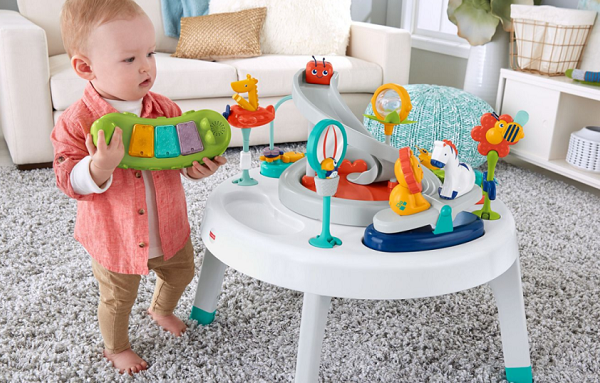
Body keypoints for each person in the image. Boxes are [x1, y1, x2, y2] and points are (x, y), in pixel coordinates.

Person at [51, 0, 227, 374]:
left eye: (149, 52)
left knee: (181, 272)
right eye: (129, 59)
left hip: (168, 225)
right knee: (117, 298)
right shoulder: (76, 123)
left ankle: (160, 308)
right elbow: (67, 179)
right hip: (115, 236)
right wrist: (98, 166)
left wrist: (198, 169)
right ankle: (116, 348)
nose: (146, 65)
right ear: (85, 67)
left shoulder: (166, 110)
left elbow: (182, 164)